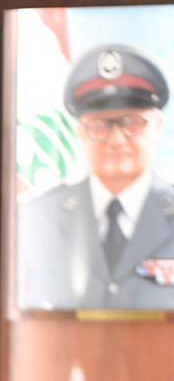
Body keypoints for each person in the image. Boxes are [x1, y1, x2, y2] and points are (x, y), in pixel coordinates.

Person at [20, 43, 174, 309]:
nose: (115, 139)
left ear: (158, 127)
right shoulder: (37, 219)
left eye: (131, 123)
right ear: (80, 132)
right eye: (99, 125)